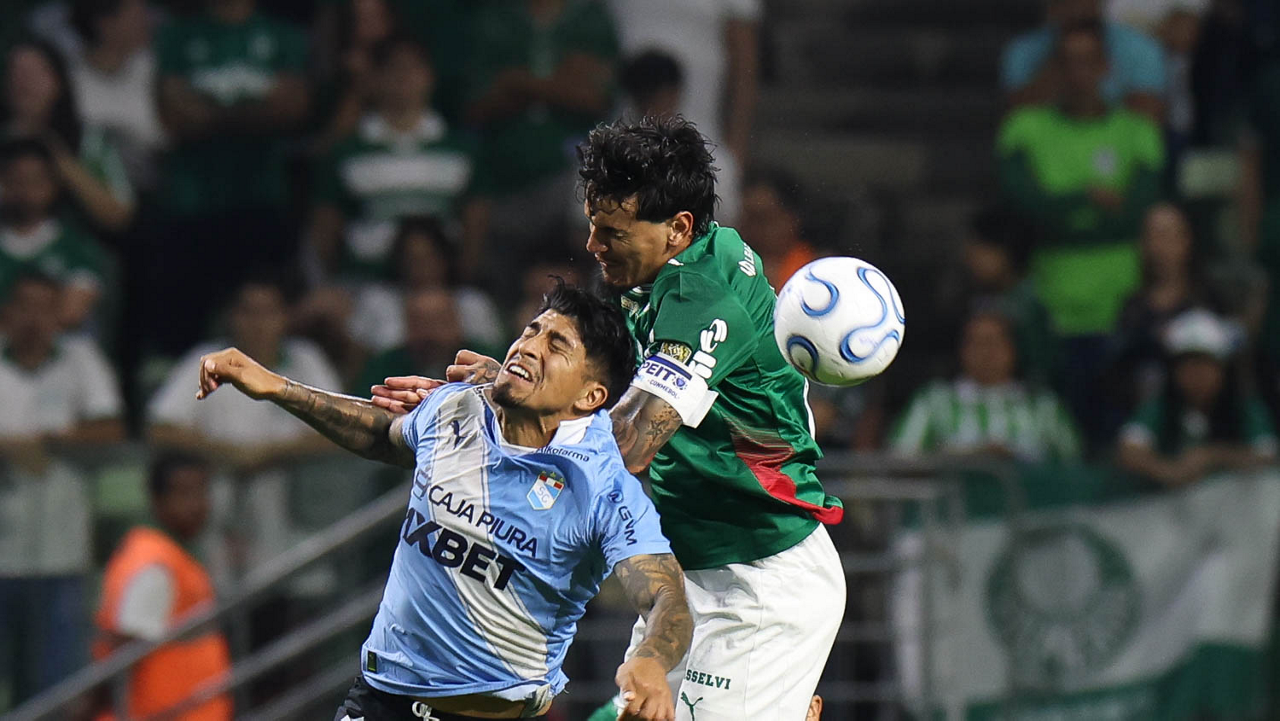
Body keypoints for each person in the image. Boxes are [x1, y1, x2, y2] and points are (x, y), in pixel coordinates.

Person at [374, 116, 847, 720]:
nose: (594, 246)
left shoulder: (703, 301)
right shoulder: (663, 268)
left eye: (612, 233)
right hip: (694, 567)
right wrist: (507, 380)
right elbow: (598, 389)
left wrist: (504, 405)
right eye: (594, 225)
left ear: (677, 229)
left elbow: (626, 443)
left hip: (761, 581)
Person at [195, 282, 692, 721]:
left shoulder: (599, 486)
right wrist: (277, 387)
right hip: (378, 700)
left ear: (589, 396)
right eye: (532, 330)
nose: (528, 345)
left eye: (555, 344)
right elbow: (384, 434)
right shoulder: (459, 406)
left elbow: (666, 595)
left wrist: (651, 659)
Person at [998, 20, 1165, 443]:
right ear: (1055, 69)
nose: (1079, 73)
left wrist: (1063, 209)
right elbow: (1028, 209)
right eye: (1068, 63)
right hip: (1052, 306)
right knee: (1057, 430)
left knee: (1118, 427)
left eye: (1089, 62)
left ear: (1107, 67)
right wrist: (1089, 198)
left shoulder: (1137, 130)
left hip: (1119, 306)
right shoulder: (1025, 129)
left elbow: (1135, 213)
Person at [147, 278, 341, 588]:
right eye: (248, 312)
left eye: (268, 312)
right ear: (232, 317)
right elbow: (161, 429)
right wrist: (227, 453)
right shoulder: (210, 359)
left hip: (295, 515)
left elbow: (340, 429)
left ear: (285, 317)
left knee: (288, 607)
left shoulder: (306, 360)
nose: (258, 323)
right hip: (221, 515)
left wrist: (269, 453)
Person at [150, 0, 308, 354]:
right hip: (193, 200)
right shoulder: (177, 36)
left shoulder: (283, 35)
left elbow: (293, 107)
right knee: (188, 315)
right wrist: (254, 111)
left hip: (262, 195)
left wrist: (211, 113)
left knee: (261, 307)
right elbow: (175, 113)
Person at [0, 272, 125, 708]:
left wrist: (47, 443)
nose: (33, 318)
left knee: (57, 691)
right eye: (24, 306)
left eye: (44, 307)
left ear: (59, 316)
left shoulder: (81, 362)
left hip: (61, 556)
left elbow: (111, 429)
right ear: (7, 314)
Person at [306, 35, 486, 286]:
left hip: (444, 289)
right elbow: (325, 229)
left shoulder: (461, 151)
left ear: (429, 76)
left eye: (413, 68)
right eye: (393, 68)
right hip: (366, 286)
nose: (404, 77)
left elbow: (475, 224)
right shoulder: (346, 153)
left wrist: (463, 277)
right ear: (375, 78)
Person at [465, 0, 619, 287]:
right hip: (505, 175)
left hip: (571, 176)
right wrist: (562, 84)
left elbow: (599, 98)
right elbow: (475, 105)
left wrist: (517, 82)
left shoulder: (590, 17)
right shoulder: (494, 17)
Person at [93, 453, 232, 721]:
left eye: (201, 492)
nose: (196, 505)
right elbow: (122, 655)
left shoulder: (170, 552)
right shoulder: (155, 566)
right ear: (157, 501)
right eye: (183, 494)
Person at [889, 310, 1082, 463]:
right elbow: (898, 461)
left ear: (1013, 349)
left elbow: (1074, 468)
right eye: (977, 342)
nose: (986, 352)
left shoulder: (1044, 406)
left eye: (994, 341)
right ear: (962, 350)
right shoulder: (932, 401)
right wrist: (965, 460)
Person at [1117, 308, 1277, 486]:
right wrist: (1168, 471)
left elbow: (1268, 457)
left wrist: (1213, 456)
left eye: (1205, 366)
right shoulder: (1162, 406)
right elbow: (1129, 450)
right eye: (1187, 367)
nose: (1196, 377)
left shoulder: (1244, 408)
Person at [2, 37, 135, 233]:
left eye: (34, 73)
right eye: (16, 73)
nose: (24, 83)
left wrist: (60, 159)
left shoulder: (90, 138)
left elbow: (119, 214)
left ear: (58, 81)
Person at [0, 137, 107, 331]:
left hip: (60, 351)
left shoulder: (75, 248)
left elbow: (71, 313)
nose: (25, 191)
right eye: (16, 180)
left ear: (53, 185)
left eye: (35, 181)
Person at [1001, 0, 1166, 120]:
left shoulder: (1143, 49)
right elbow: (1016, 118)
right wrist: (1059, 56)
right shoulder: (1022, 51)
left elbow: (1148, 122)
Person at [67, 0, 166, 192]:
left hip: (157, 187)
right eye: (137, 16)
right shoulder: (70, 80)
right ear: (106, 23)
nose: (148, 21)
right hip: (99, 191)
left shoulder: (154, 67)